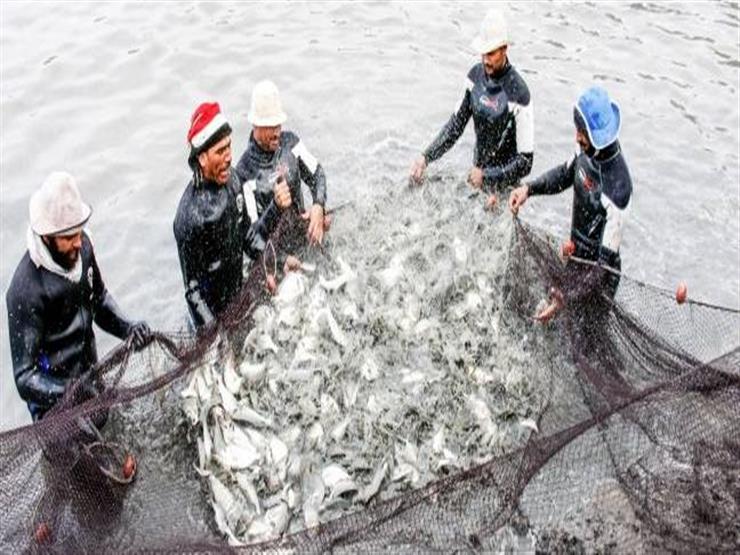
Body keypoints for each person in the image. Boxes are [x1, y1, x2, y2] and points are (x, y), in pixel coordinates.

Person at [6, 172, 151, 421]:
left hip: (91, 381)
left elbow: (99, 301)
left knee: (110, 436)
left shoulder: (83, 249)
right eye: (68, 238)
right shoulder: (25, 290)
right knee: (85, 459)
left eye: (79, 232)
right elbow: (24, 377)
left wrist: (129, 328)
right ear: (47, 237)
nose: (77, 242)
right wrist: (69, 392)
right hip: (55, 409)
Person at [508, 86, 632, 322]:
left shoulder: (619, 189)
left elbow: (602, 267)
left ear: (599, 137)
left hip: (597, 279)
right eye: (578, 130)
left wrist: (566, 296)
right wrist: (529, 189)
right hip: (575, 258)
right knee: (559, 327)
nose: (577, 137)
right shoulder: (587, 149)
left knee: (584, 346)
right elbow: (566, 175)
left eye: (582, 132)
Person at [174, 101, 292, 329]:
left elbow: (249, 237)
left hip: (240, 299)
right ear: (202, 158)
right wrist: (215, 336)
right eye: (220, 151)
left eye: (229, 147)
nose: (229, 157)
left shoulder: (234, 181)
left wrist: (279, 260)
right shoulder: (189, 217)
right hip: (211, 318)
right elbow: (193, 292)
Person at [409, 9, 534, 208]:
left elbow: (526, 162)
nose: (485, 60)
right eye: (483, 53)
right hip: (476, 180)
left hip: (505, 190)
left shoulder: (519, 93)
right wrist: (426, 157)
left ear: (504, 49)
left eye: (491, 53)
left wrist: (488, 176)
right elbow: (455, 127)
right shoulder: (474, 78)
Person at [236, 80, 329, 245]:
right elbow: (251, 239)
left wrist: (318, 206)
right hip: (274, 253)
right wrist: (275, 206)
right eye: (270, 126)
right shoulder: (244, 173)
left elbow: (317, 173)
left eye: (278, 124)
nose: (277, 132)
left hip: (303, 234)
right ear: (255, 124)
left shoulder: (291, 144)